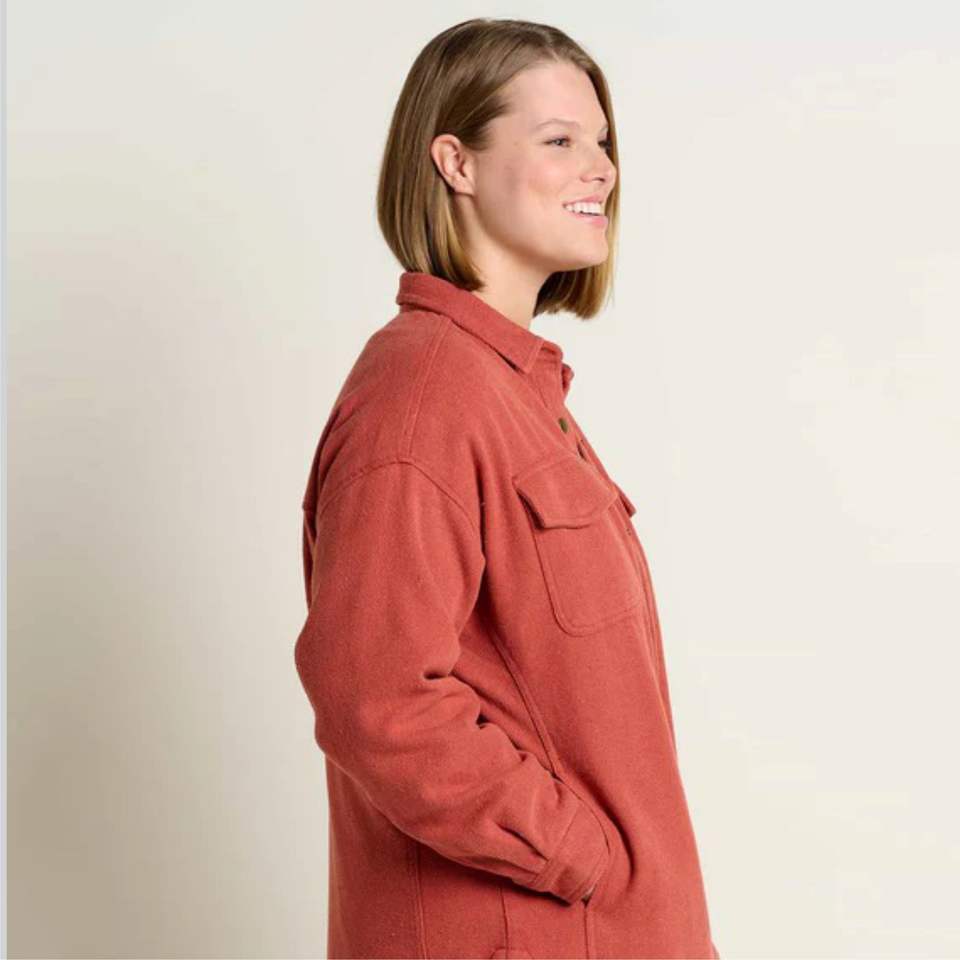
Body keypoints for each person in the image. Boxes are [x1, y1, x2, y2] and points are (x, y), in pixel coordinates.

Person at [294, 17, 720, 960]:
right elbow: (375, 696)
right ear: (456, 163)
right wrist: (578, 854)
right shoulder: (423, 398)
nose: (601, 168)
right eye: (559, 140)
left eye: (601, 141)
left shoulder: (512, 392)